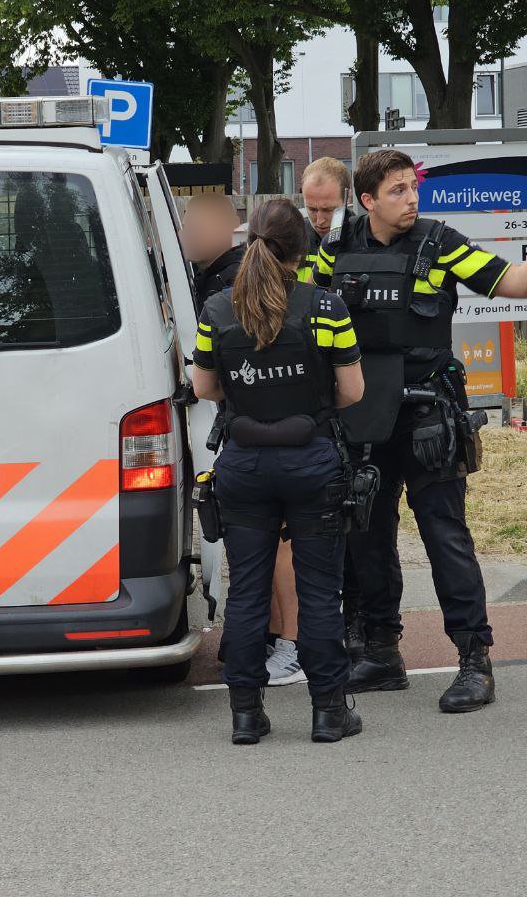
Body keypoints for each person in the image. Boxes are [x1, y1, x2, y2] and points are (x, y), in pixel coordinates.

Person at [311, 148, 527, 712]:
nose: (410, 199)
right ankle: (380, 651)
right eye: (396, 191)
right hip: (360, 419)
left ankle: (474, 660)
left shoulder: (439, 243)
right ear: (367, 200)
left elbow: (517, 283)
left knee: (444, 537)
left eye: (412, 187)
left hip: (427, 415)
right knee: (366, 536)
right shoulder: (336, 251)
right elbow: (305, 315)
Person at [192, 198, 367, 744]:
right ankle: (328, 712)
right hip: (312, 461)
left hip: (243, 464)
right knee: (318, 591)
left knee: (247, 590)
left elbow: (203, 388)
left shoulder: (218, 311)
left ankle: (246, 713)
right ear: (302, 250)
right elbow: (352, 391)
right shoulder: (326, 307)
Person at [298, 157, 366, 664]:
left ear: (348, 197)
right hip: (314, 401)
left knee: (364, 523)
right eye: (311, 208)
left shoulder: (358, 242)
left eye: (327, 208)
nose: (319, 219)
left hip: (358, 391)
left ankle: (364, 622)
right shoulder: (299, 246)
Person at [181, 192, 244, 301]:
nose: (189, 235)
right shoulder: (201, 272)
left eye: (199, 227)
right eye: (187, 227)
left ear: (232, 225)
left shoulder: (238, 280)